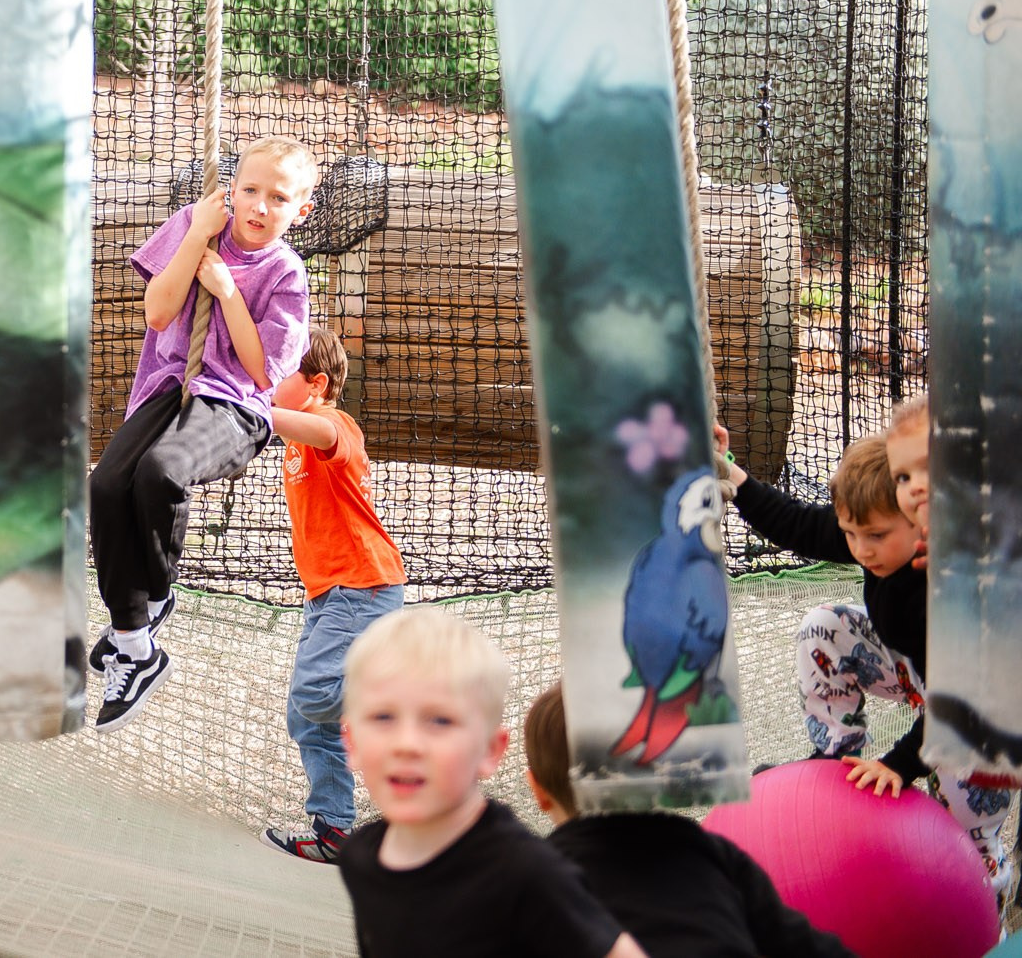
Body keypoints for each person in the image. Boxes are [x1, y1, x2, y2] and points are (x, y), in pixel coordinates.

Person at [718, 401, 1014, 899]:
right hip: (916, 669)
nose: (861, 550)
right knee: (826, 626)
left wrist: (898, 766)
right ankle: (835, 754)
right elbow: (796, 525)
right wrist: (731, 474)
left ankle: (990, 897)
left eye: (875, 536)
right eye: (852, 534)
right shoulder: (871, 531)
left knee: (969, 818)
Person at [88, 135, 317, 732]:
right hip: (170, 386)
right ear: (231, 189)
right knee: (108, 485)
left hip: (235, 406)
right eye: (250, 191)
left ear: (301, 209)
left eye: (278, 198)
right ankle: (134, 640)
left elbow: (264, 371)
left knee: (161, 472)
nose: (259, 208)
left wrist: (228, 292)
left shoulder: (286, 273)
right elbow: (159, 314)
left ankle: (156, 592)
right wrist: (195, 239)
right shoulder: (198, 223)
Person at [335, 607, 645, 958]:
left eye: (439, 720)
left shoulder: (524, 873)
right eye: (383, 717)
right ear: (352, 742)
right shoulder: (362, 857)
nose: (408, 744)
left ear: (489, 751)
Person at [523, 680, 856, 958]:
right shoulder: (708, 851)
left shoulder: (532, 879)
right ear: (663, 769)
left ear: (537, 788)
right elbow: (805, 947)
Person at [260, 324, 405, 863]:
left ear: (317, 383)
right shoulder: (296, 434)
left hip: (362, 585)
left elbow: (326, 436)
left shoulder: (331, 423)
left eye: (282, 373)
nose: (270, 381)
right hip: (328, 593)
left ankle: (401, 706)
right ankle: (335, 829)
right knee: (309, 716)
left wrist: (250, 408)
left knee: (317, 694)